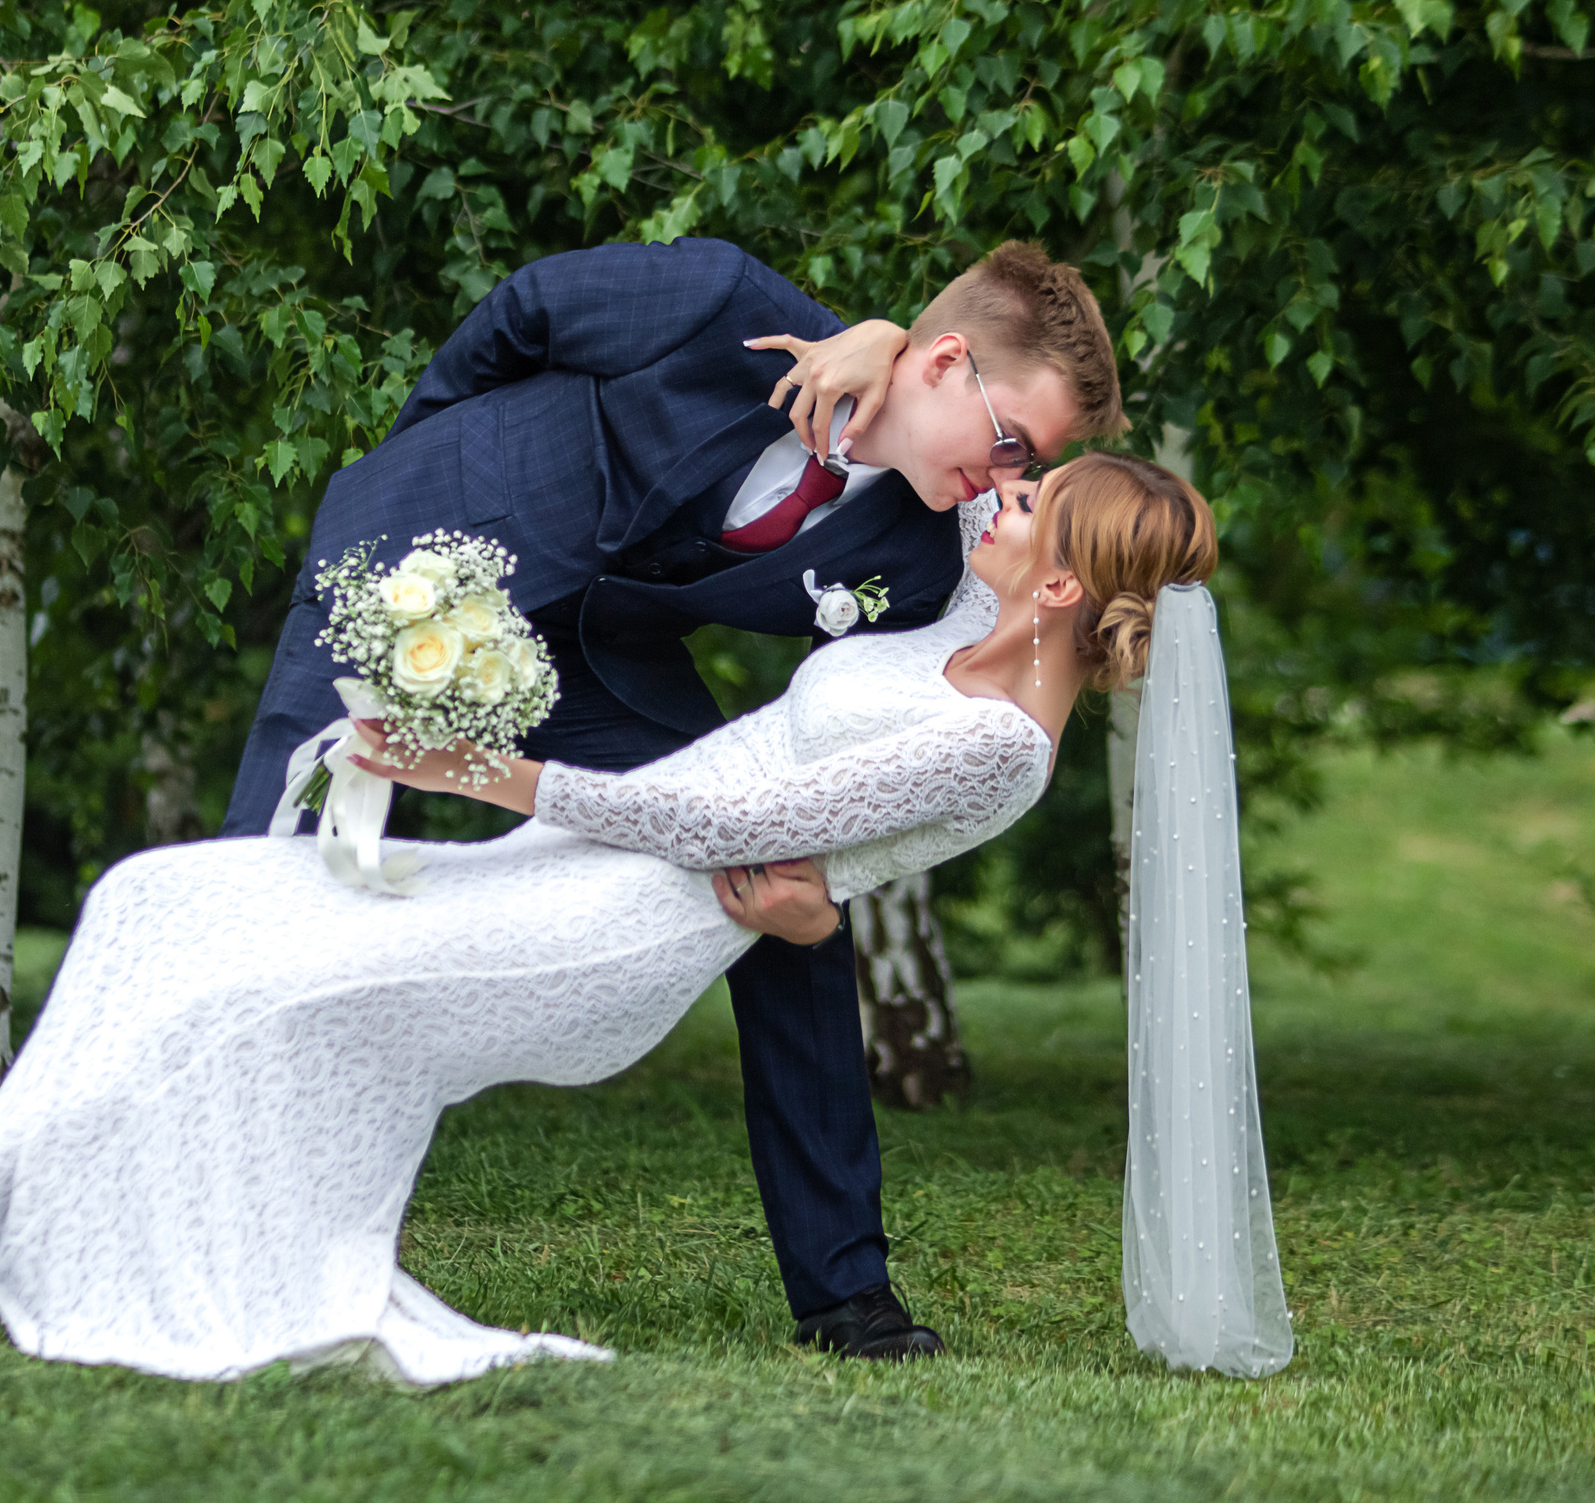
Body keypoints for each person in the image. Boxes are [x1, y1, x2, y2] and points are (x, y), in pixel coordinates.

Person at [0, 453, 1249, 1387]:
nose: (998, 503)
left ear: (1057, 593)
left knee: (227, 1002)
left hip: (614, 931)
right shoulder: (972, 628)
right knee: (162, 900)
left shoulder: (995, 734)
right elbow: (816, 832)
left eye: (1028, 513)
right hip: (597, 865)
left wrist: (502, 774)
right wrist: (890, 343)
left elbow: (753, 830)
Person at [220, 236, 1124, 1359]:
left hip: (602, 663)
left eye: (1023, 460)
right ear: (945, 364)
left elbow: (1058, 601)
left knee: (782, 893)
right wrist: (434, 482)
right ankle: (221, 1188)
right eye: (1010, 444)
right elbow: (520, 312)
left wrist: (825, 899)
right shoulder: (720, 302)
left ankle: (846, 1296)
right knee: (286, 843)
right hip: (424, 562)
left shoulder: (927, 549)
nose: (1003, 477)